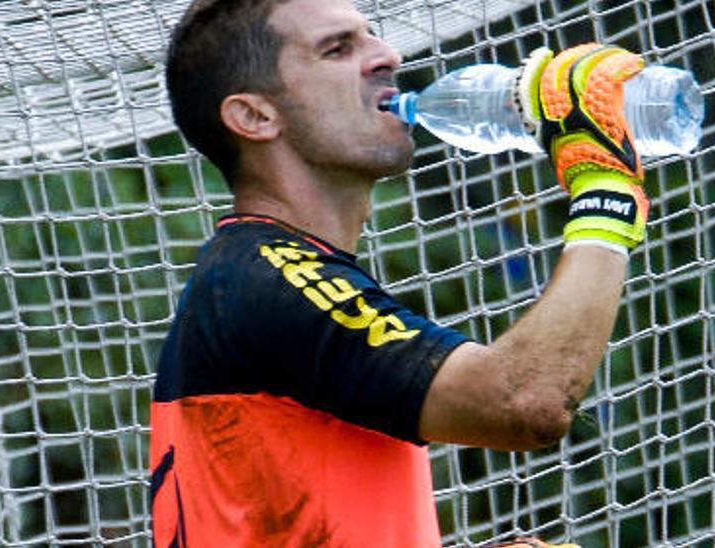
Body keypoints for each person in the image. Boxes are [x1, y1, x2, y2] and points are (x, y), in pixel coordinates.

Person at [150, 0, 650, 545]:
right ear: (255, 117)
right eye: (338, 48)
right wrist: (606, 194)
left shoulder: (259, 269)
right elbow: (524, 400)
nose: (387, 56)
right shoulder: (267, 272)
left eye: (373, 37)